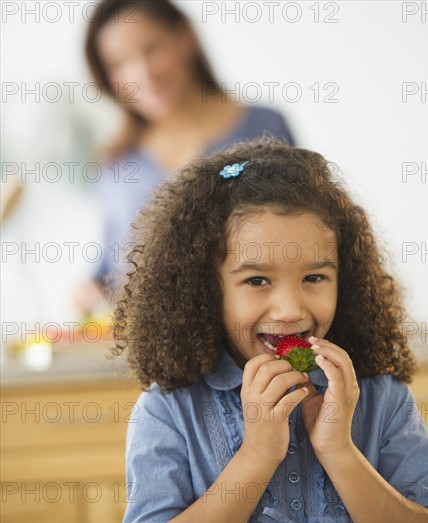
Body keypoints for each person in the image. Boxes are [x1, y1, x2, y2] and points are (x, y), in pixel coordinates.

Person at [110, 137, 428, 523]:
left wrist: (339, 451)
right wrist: (257, 455)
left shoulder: (381, 398)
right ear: (208, 288)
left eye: (314, 278)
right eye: (257, 280)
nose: (289, 309)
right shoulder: (169, 411)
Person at [76, 0, 295, 314]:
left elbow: (298, 239)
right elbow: (110, 267)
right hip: (142, 351)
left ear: (185, 37)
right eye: (119, 63)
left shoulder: (265, 128)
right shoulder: (115, 164)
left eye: (151, 49)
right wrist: (89, 290)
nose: (143, 73)